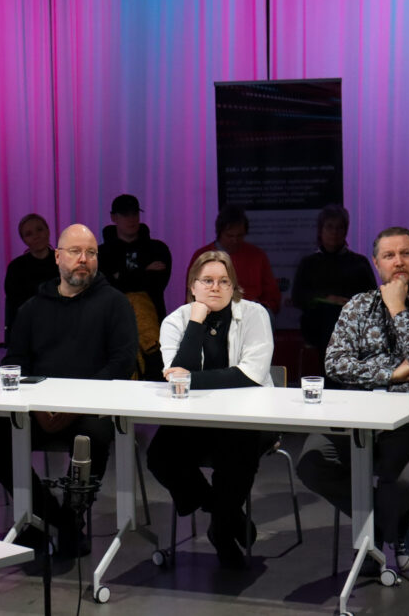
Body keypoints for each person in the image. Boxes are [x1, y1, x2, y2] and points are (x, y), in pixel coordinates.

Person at [296, 227, 409, 573]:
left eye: (405, 254)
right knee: (312, 462)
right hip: (358, 414)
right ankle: (393, 523)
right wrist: (393, 374)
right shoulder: (358, 305)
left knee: (401, 481)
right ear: (376, 263)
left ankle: (376, 532)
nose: (398, 262)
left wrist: (397, 308)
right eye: (389, 255)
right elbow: (335, 363)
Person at [0, 224, 138, 555]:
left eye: (91, 253)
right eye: (75, 251)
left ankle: (72, 517)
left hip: (91, 406)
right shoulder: (33, 308)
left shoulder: (115, 303)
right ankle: (49, 516)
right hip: (41, 408)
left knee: (92, 437)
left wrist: (76, 402)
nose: (84, 259)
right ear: (57, 257)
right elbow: (16, 360)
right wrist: (36, 403)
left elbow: (122, 363)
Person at [147, 251, 274, 569]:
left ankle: (222, 531)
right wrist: (196, 320)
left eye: (223, 281)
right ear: (192, 285)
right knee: (160, 456)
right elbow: (175, 376)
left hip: (251, 416)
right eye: (207, 281)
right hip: (196, 418)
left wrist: (191, 380)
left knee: (237, 452)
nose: (215, 287)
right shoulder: (176, 321)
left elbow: (250, 375)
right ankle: (225, 514)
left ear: (233, 286)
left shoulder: (254, 314)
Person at [291, 205, 376, 368]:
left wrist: (349, 303)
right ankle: (334, 372)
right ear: (320, 230)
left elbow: (372, 298)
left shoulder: (359, 263)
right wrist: (327, 299)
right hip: (318, 322)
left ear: (345, 231)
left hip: (353, 321)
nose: (334, 232)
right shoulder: (309, 263)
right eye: (329, 227)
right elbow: (298, 297)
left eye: (339, 228)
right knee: (330, 319)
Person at [98, 194, 172, 380]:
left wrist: (121, 276)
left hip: (153, 330)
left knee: (154, 377)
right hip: (113, 326)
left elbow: (156, 285)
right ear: (114, 217)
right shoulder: (101, 253)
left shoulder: (158, 249)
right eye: (125, 214)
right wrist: (144, 271)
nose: (131, 219)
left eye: (134, 214)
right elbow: (106, 287)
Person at [187, 205, 280, 316]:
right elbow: (191, 295)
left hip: (250, 315)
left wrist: (262, 308)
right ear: (220, 233)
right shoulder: (202, 256)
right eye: (230, 236)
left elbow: (272, 295)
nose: (235, 240)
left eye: (239, 236)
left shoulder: (257, 256)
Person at [4, 213, 57, 343]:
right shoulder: (16, 268)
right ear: (24, 240)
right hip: (31, 331)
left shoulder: (65, 261)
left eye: (39, 229)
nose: (36, 236)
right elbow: (15, 305)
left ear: (48, 231)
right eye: (29, 234)